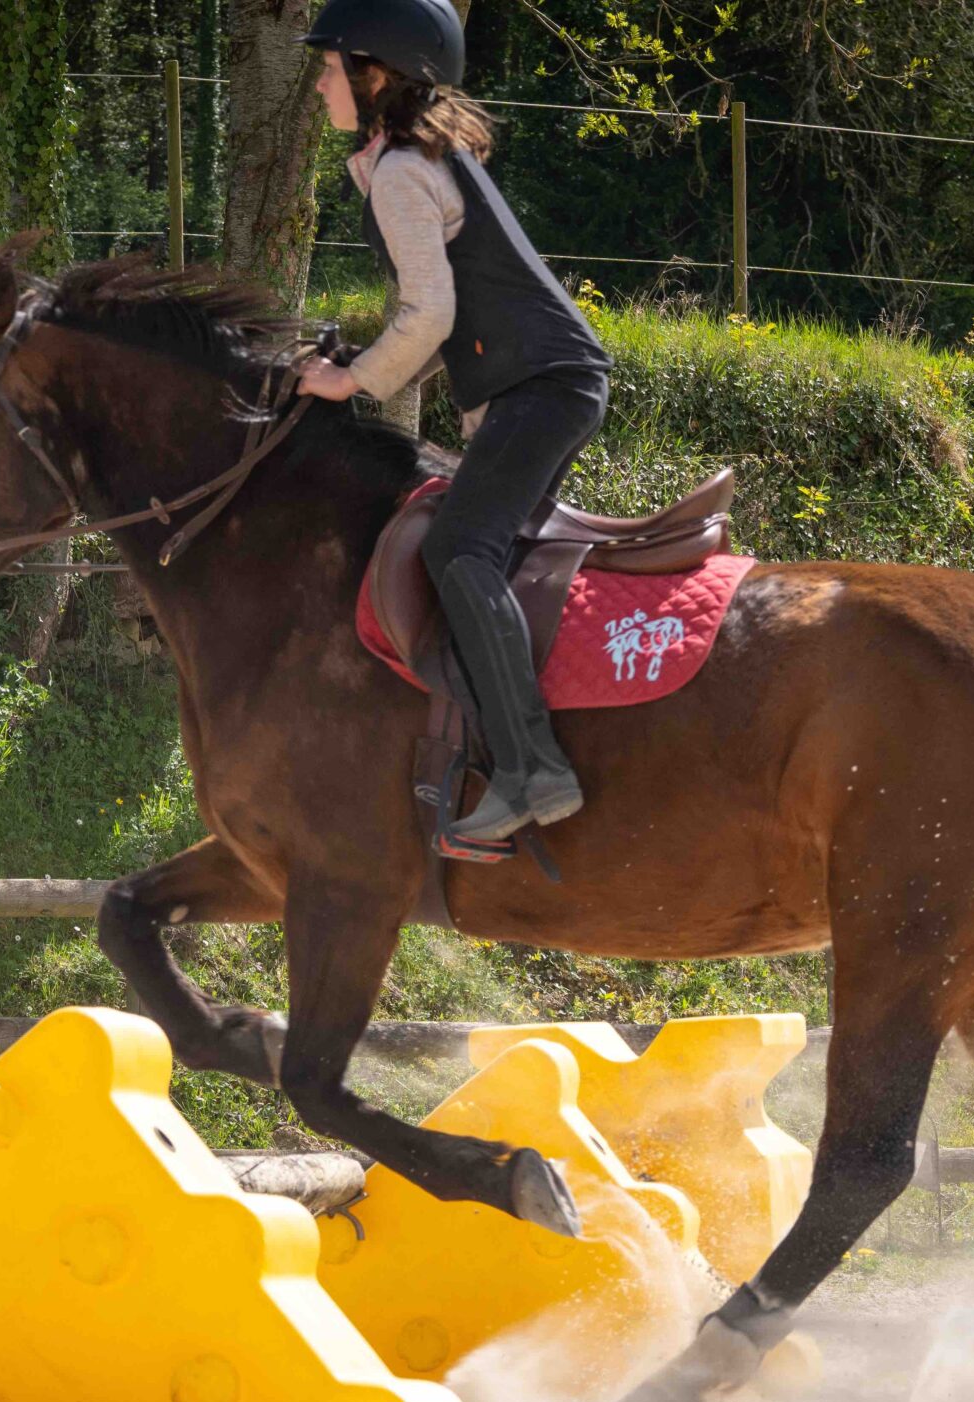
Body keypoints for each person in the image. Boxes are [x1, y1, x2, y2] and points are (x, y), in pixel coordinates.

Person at [294, 0, 611, 842]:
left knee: (458, 549)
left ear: (374, 75)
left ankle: (533, 768)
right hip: (547, 383)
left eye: (330, 67)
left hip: (544, 387)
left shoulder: (402, 169)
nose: (320, 82)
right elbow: (446, 315)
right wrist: (357, 372)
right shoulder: (414, 159)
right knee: (475, 549)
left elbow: (429, 314)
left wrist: (350, 380)